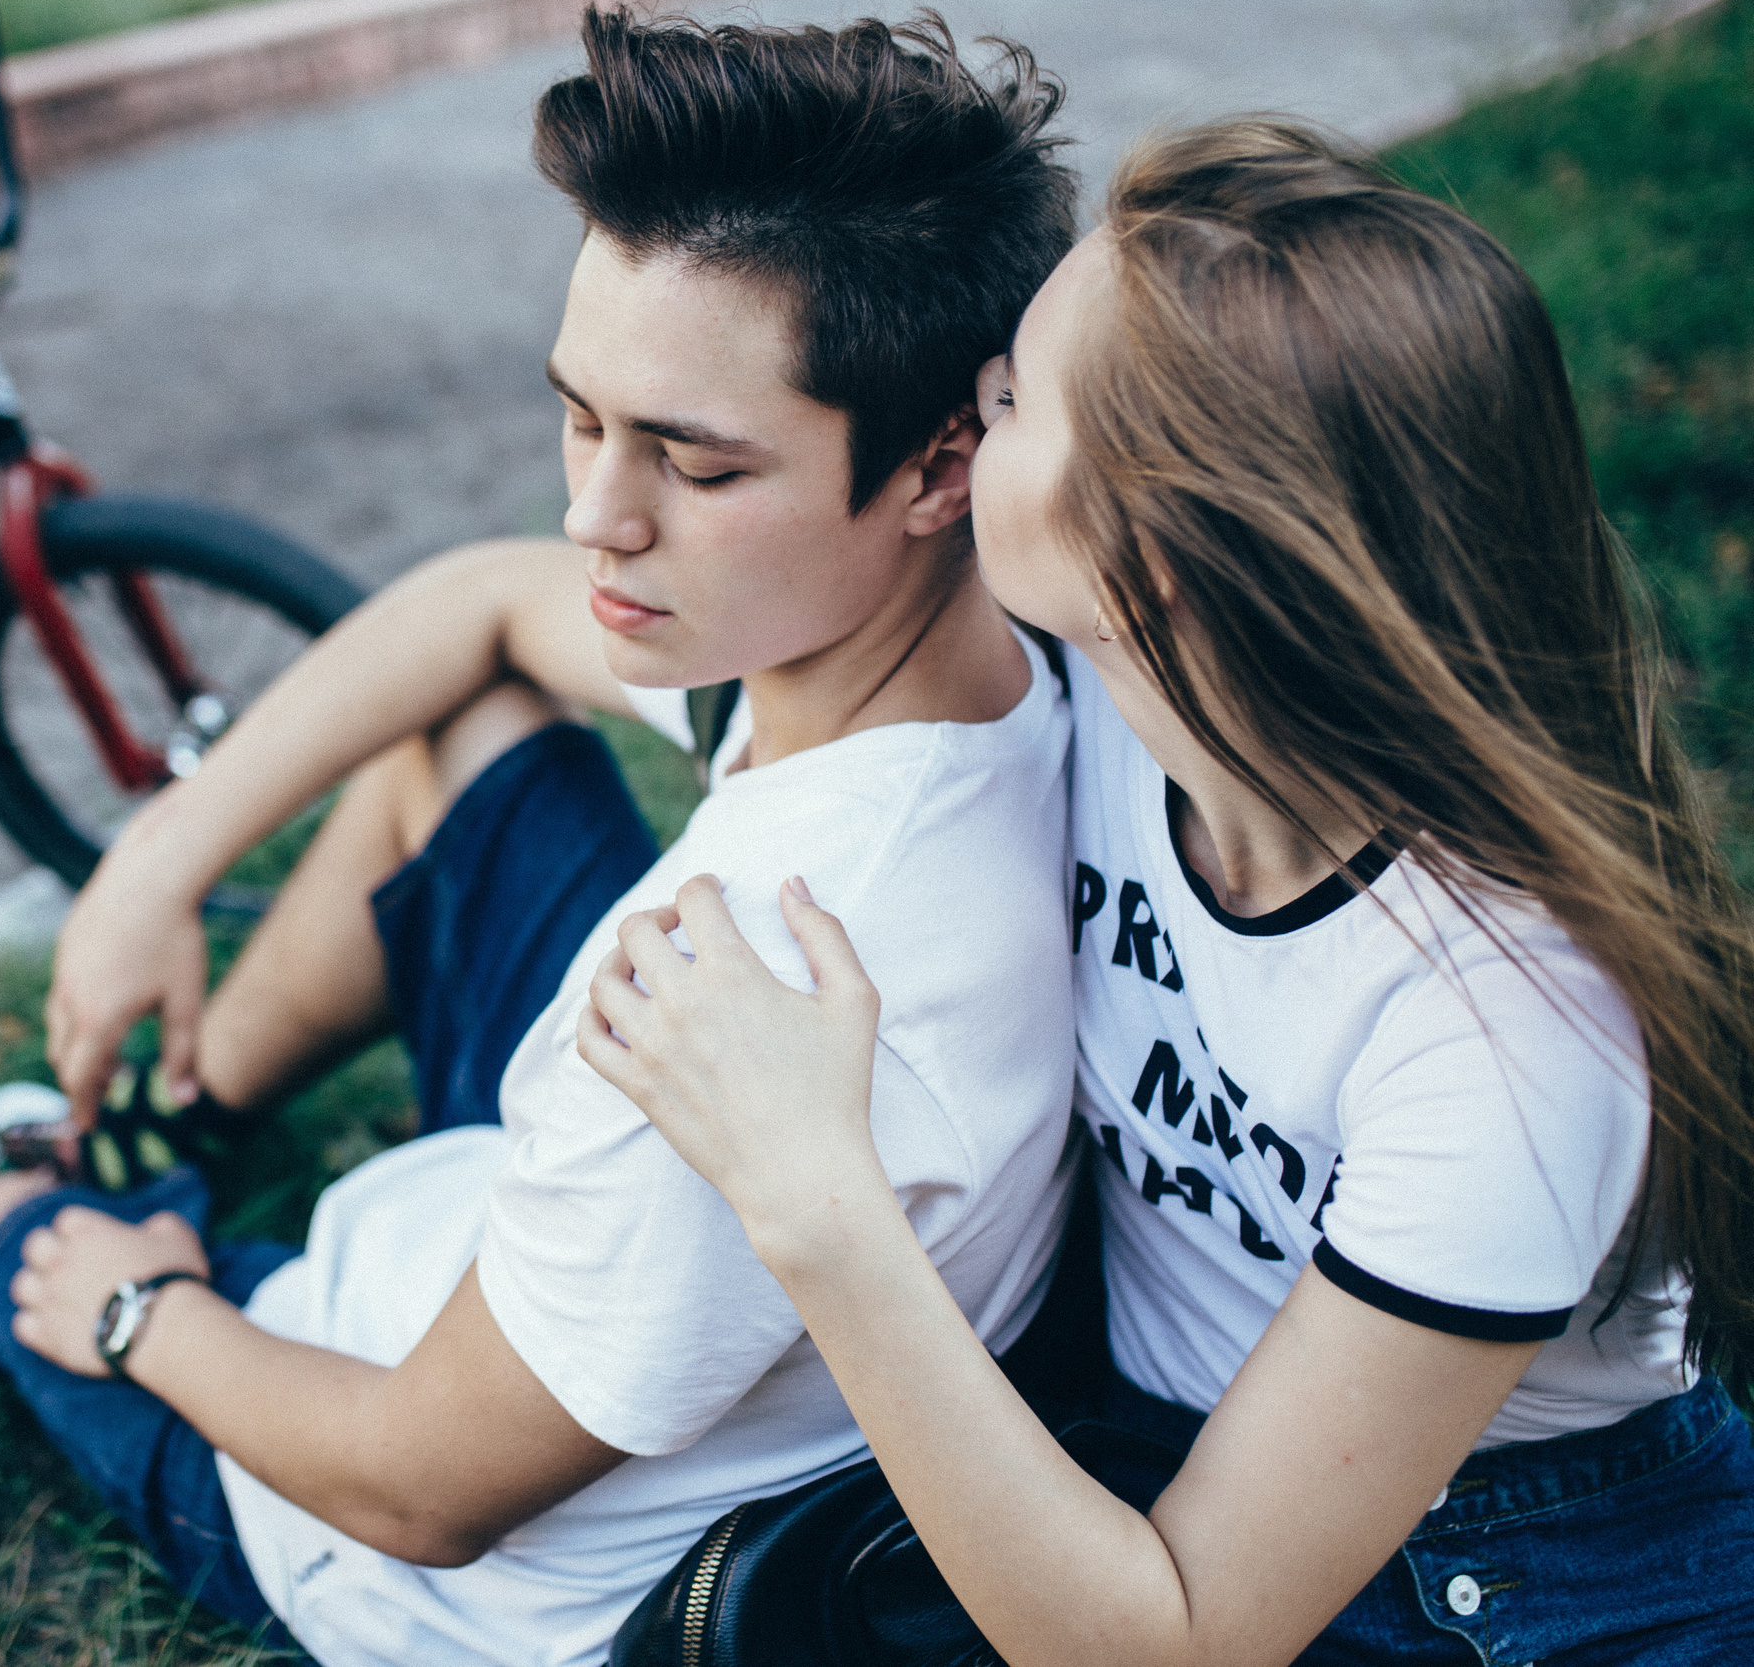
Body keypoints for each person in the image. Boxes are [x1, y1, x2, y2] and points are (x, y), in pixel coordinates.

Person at [0, 7, 1090, 1664]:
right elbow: (482, 611)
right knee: (473, 730)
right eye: (585, 416)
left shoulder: (742, 1002)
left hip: (404, 1553)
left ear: (943, 464)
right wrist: (160, 861)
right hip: (545, 1270)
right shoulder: (974, 659)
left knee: (4, 1254)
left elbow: (419, 1491)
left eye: (698, 468)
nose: (598, 513)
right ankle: (179, 1116)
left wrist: (146, 1311)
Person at [579, 118, 1754, 1664]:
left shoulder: (1513, 1028)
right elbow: (539, 613)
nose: (964, 421)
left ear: (1151, 553)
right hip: (1140, 1442)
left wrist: (813, 1198)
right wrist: (154, 883)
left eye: (1006, 405)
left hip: (1480, 1566)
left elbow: (1173, 1643)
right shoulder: (1106, 686)